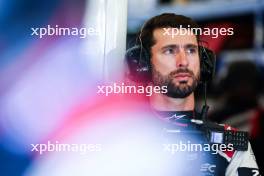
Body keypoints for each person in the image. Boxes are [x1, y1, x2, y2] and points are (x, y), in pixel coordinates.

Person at [125, 13, 260, 176]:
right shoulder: (120, 139)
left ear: (204, 63)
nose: (183, 61)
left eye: (190, 50)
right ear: (143, 64)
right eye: (169, 51)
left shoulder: (229, 142)